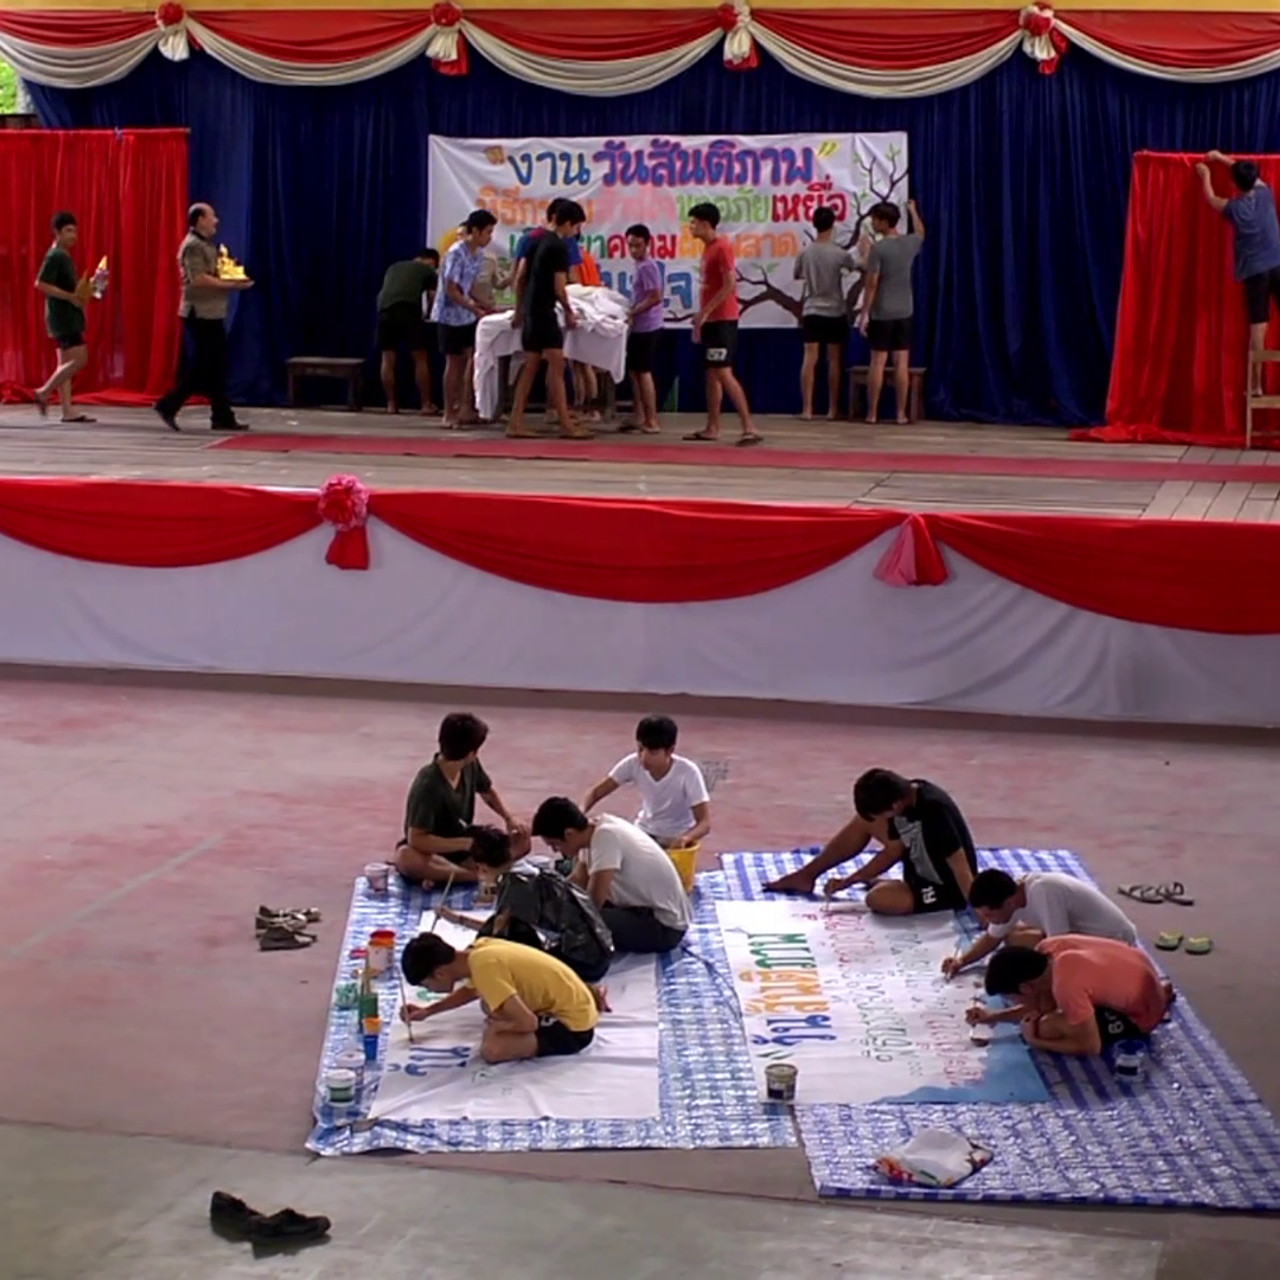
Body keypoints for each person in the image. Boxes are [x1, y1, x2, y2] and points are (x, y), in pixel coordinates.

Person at [763, 768, 977, 916]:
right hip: (919, 864)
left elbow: (960, 867)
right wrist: (850, 880)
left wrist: (978, 908)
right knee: (864, 821)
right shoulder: (906, 796)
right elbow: (893, 851)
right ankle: (807, 875)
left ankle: (893, 887)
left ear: (894, 806)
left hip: (945, 888)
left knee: (878, 899)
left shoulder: (935, 811)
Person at [440, 825, 614, 984]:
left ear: (481, 868)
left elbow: (494, 936)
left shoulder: (514, 886)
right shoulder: (526, 868)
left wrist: (459, 922)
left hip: (585, 962)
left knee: (496, 949)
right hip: (599, 950)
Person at [400, 934, 599, 1063]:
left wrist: (499, 1027)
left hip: (575, 1028)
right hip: (575, 1002)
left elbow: (528, 1023)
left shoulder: (485, 970)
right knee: (489, 1004)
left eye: (427, 985)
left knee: (492, 1050)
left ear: (440, 973)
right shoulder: (478, 951)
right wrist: (428, 1011)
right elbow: (471, 990)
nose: (431, 990)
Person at [531, 797, 690, 953]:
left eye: (555, 845)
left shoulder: (606, 837)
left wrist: (557, 915)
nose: (555, 851)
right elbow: (578, 880)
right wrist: (548, 901)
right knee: (570, 909)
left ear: (569, 834)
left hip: (664, 927)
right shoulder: (591, 833)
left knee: (583, 923)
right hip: (643, 911)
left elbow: (593, 904)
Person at [976, 936, 1174, 1057]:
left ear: (1025, 988)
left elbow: (1090, 1046)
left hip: (1144, 1014)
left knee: (1045, 1026)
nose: (1014, 1002)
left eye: (1013, 998)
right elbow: (1043, 1003)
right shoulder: (1048, 948)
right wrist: (992, 1017)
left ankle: (1155, 999)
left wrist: (1035, 1040)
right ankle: (1157, 991)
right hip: (1140, 969)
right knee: (1046, 1007)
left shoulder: (1065, 986)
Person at [395, 712, 527, 885]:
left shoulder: (470, 765)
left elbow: (487, 791)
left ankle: (453, 874)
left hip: (463, 844)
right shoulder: (428, 784)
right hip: (434, 851)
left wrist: (508, 818)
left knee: (523, 839)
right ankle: (475, 874)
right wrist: (465, 844)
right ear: (471, 753)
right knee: (406, 858)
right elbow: (417, 839)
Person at [154, 203, 254, 433]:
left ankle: (221, 416)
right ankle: (169, 404)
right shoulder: (192, 246)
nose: (216, 220)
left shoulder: (206, 244)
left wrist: (234, 276)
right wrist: (231, 285)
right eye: (212, 216)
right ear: (200, 220)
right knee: (203, 364)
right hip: (199, 313)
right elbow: (198, 279)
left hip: (212, 312)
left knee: (215, 366)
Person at [942, 869, 1139, 980]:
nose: (988, 920)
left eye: (989, 914)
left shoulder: (1043, 892)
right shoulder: (1014, 894)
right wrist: (962, 961)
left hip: (1115, 941)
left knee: (1031, 959)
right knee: (1013, 939)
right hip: (1079, 934)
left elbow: (1060, 950)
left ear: (1007, 903)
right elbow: (992, 938)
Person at [506, 200, 591, 441]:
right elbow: (559, 287)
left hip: (531, 310)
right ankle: (565, 423)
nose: (576, 232)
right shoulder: (559, 247)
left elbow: (520, 278)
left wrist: (519, 309)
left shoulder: (533, 239)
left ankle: (515, 421)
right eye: (576, 227)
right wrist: (569, 311)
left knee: (531, 365)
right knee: (557, 366)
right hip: (545, 311)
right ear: (568, 223)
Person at [1196, 152, 1280, 395]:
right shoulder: (1265, 193)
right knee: (1261, 327)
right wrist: (1222, 158)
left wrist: (1205, 174)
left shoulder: (1235, 209)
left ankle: (1256, 385)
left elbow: (1212, 199)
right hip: (1278, 264)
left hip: (1256, 273)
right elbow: (1248, 175)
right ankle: (1256, 384)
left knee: (1258, 327)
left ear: (1234, 184)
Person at [684, 202, 762, 447]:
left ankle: (749, 427)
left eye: (694, 222)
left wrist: (706, 311)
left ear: (706, 224)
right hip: (711, 320)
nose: (690, 227)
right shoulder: (707, 249)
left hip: (723, 320)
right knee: (711, 374)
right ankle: (713, 426)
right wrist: (702, 315)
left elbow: (729, 284)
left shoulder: (722, 247)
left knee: (723, 372)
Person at [580, 714, 710, 850]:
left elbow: (704, 822)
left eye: (652, 752)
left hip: (675, 837)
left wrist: (685, 838)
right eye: (640, 749)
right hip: (644, 832)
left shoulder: (688, 772)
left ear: (670, 751)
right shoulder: (632, 763)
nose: (643, 758)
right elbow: (595, 793)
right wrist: (580, 813)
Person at [857, 198, 923, 426]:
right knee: (901, 363)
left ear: (884, 222)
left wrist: (864, 313)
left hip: (882, 311)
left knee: (878, 362)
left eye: (875, 220)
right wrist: (913, 211)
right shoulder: (909, 243)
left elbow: (872, 284)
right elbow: (921, 233)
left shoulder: (879, 249)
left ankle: (872, 413)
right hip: (905, 309)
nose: (873, 224)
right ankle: (900, 414)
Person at [433, 210, 497, 429]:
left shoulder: (478, 255)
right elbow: (452, 289)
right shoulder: (455, 253)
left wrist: (486, 306)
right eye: (487, 232)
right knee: (454, 363)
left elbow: (469, 287)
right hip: (449, 315)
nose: (490, 237)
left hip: (467, 315)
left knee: (471, 360)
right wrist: (474, 308)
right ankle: (449, 412)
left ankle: (466, 407)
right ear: (475, 231)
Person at [794, 206, 856, 421]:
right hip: (835, 310)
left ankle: (807, 409)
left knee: (809, 358)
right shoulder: (840, 253)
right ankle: (832, 409)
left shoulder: (805, 252)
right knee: (834, 360)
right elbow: (856, 266)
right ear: (832, 225)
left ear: (814, 224)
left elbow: (797, 274)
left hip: (811, 309)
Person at [32, 212, 94, 423]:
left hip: (62, 315)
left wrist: (87, 290)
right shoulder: (55, 256)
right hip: (64, 317)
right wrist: (70, 297)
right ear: (56, 233)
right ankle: (43, 391)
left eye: (75, 231)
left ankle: (67, 410)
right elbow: (41, 284)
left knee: (65, 364)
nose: (73, 235)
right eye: (68, 230)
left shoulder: (63, 256)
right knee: (80, 360)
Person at [376, 250, 439, 416]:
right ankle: (426, 404)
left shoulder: (394, 266)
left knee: (387, 358)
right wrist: (429, 315)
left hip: (385, 310)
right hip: (409, 309)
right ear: (431, 262)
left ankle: (391, 404)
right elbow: (433, 296)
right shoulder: (428, 270)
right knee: (420, 357)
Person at [621, 224, 665, 434]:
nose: (633, 250)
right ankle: (639, 415)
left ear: (647, 244)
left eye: (638, 245)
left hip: (648, 326)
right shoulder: (639, 265)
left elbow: (656, 297)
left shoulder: (648, 266)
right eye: (630, 245)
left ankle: (652, 420)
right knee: (634, 371)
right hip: (639, 326)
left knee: (643, 372)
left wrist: (634, 311)